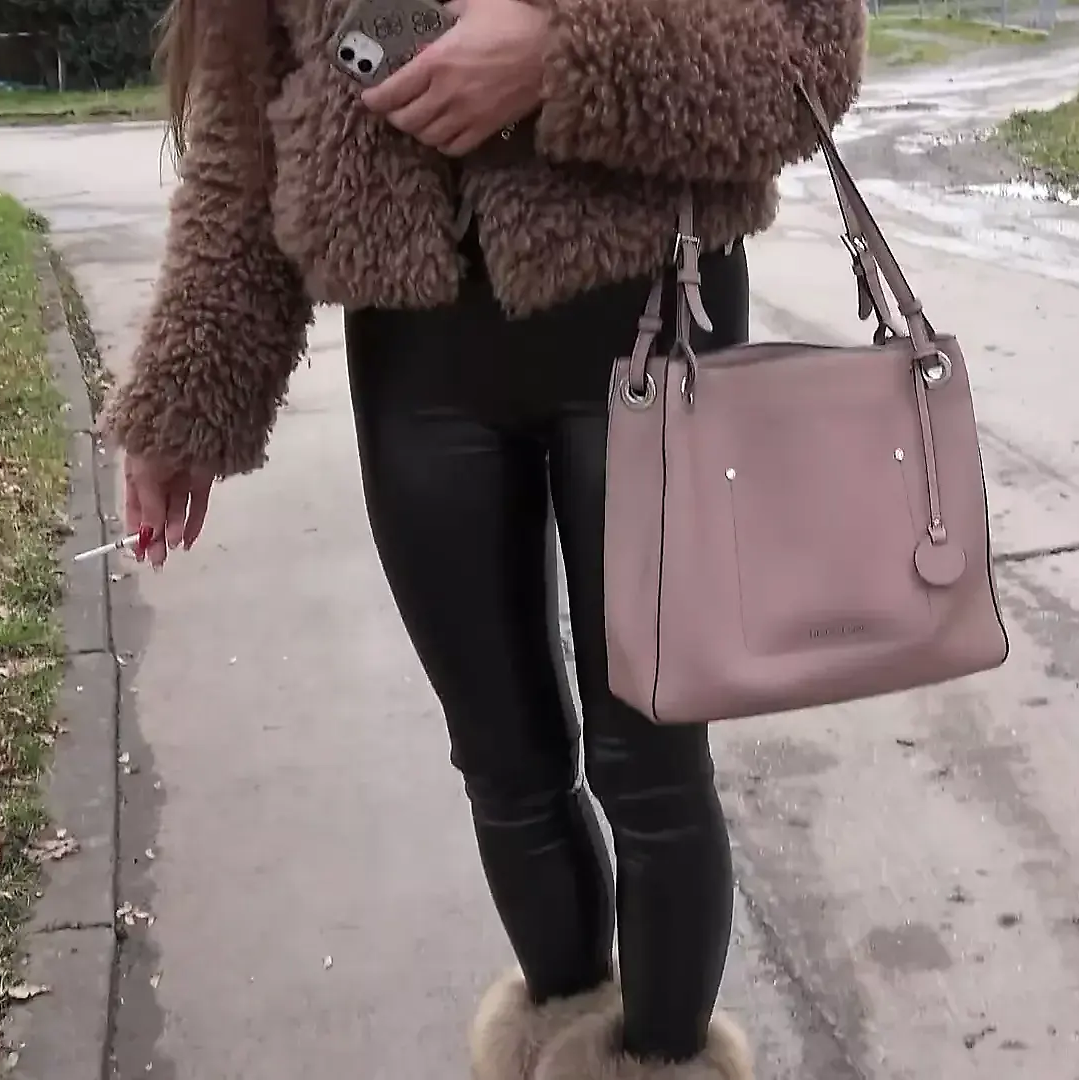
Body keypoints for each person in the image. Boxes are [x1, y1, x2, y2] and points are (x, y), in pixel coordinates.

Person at [99, 0, 865, 1074]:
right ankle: (564, 1031)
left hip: (653, 312)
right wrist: (182, 410)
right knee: (504, 763)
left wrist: (565, 59)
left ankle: (658, 1062)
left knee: (650, 765)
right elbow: (241, 148)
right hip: (418, 358)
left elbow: (809, 54)